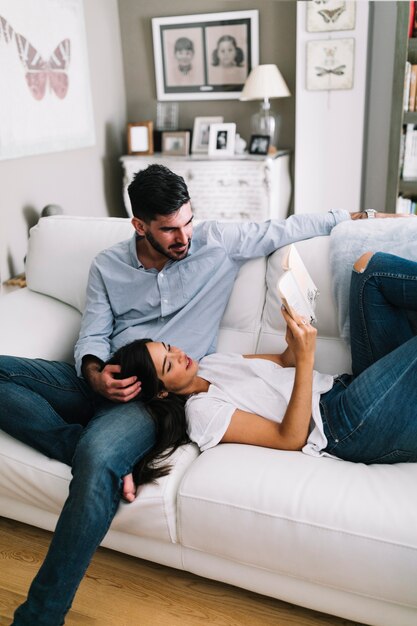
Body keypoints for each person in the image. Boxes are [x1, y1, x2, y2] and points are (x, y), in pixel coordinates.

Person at [0, 163, 404, 624]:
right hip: (107, 375)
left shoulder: (215, 242)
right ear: (139, 226)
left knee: (97, 457)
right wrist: (94, 375)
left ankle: (38, 616)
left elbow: (289, 227)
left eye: (188, 221)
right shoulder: (108, 267)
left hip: (153, 399)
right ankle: (67, 441)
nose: (184, 237)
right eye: (169, 230)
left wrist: (365, 215)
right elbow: (92, 335)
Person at [112, 251, 417, 466]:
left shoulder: (211, 363)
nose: (179, 355)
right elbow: (290, 438)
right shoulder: (201, 413)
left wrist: (293, 336)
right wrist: (307, 359)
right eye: (169, 364)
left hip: (346, 388)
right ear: (162, 391)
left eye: (169, 347)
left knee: (369, 270)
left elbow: (285, 362)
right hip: (341, 426)